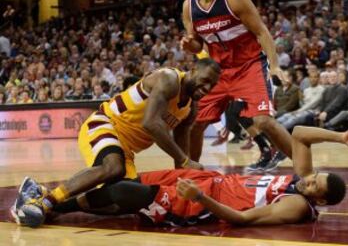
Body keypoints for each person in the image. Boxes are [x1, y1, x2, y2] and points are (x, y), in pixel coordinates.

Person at [11, 59, 221, 227]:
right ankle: (44, 202)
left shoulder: (191, 108)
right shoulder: (169, 79)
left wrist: (183, 179)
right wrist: (185, 161)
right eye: (205, 80)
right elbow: (151, 124)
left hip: (126, 149)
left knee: (124, 200)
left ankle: (48, 202)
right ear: (193, 69)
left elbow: (181, 144)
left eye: (212, 85)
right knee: (114, 167)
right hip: (106, 123)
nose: (208, 87)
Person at [13, 126, 348, 227]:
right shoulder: (301, 182)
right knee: (124, 183)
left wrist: (199, 197)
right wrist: (340, 137)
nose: (308, 180)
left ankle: (50, 206)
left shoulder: (297, 204)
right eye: (314, 177)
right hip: (206, 180)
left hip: (202, 204)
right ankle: (49, 202)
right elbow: (298, 133)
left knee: (125, 192)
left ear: (319, 201)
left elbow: (240, 219)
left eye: (314, 185)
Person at [181, 0, 292, 170]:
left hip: (249, 65)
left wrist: (275, 65)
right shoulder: (189, 7)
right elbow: (197, 45)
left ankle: (307, 170)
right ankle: (191, 173)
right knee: (194, 123)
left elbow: (261, 31)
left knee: (263, 121)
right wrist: (190, 46)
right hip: (217, 71)